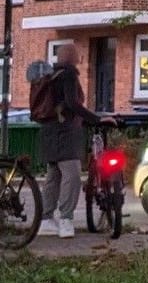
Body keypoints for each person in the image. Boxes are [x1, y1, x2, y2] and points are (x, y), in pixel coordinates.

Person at [36, 43, 114, 238]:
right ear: (73, 57)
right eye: (79, 55)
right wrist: (96, 119)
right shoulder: (69, 74)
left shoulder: (50, 76)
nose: (81, 58)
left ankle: (45, 220)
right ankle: (66, 220)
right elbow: (72, 103)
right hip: (65, 131)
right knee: (72, 174)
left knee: (53, 176)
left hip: (49, 130)